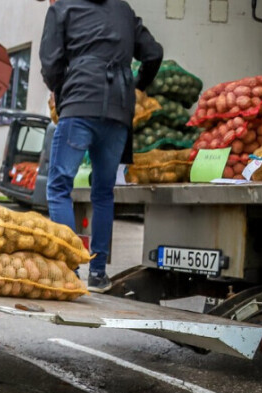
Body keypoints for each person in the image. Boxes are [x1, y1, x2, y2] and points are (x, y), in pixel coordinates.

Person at [39, 0, 163, 293]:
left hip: (80, 103)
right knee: (104, 194)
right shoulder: (123, 10)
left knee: (58, 187)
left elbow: (51, 63)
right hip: (119, 111)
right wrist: (137, 86)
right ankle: (98, 274)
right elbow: (154, 53)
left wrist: (60, 90)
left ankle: (71, 269)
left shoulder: (63, 8)